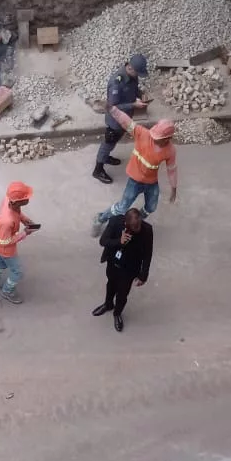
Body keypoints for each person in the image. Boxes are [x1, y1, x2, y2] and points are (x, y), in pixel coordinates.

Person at [93, 109, 178, 234]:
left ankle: (134, 223)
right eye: (153, 135)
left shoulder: (170, 150)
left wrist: (174, 189)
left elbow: (172, 170)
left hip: (151, 182)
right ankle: (100, 219)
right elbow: (126, 121)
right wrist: (111, 108)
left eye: (157, 138)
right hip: (135, 181)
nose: (153, 138)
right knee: (122, 207)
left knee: (151, 207)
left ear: (167, 138)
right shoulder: (143, 133)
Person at [92, 208, 153, 333]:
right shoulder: (115, 222)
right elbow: (103, 241)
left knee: (122, 293)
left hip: (130, 268)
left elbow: (148, 253)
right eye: (134, 228)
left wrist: (143, 275)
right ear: (125, 223)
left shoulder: (147, 230)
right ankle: (108, 304)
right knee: (111, 285)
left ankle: (117, 313)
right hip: (113, 263)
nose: (137, 230)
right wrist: (118, 241)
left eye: (138, 226)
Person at [92, 54, 149, 185]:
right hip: (115, 120)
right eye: (137, 73)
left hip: (125, 117)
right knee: (108, 142)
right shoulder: (117, 82)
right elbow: (113, 106)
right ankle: (98, 169)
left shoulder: (132, 77)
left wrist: (141, 94)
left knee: (114, 141)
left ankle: (106, 158)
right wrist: (133, 105)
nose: (138, 76)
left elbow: (134, 89)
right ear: (130, 67)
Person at [0, 181, 39, 304]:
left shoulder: (9, 199)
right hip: (6, 248)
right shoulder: (6, 221)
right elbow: (5, 241)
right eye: (26, 198)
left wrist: (25, 220)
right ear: (17, 201)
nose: (28, 200)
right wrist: (25, 233)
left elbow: (17, 212)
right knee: (18, 272)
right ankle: (7, 291)